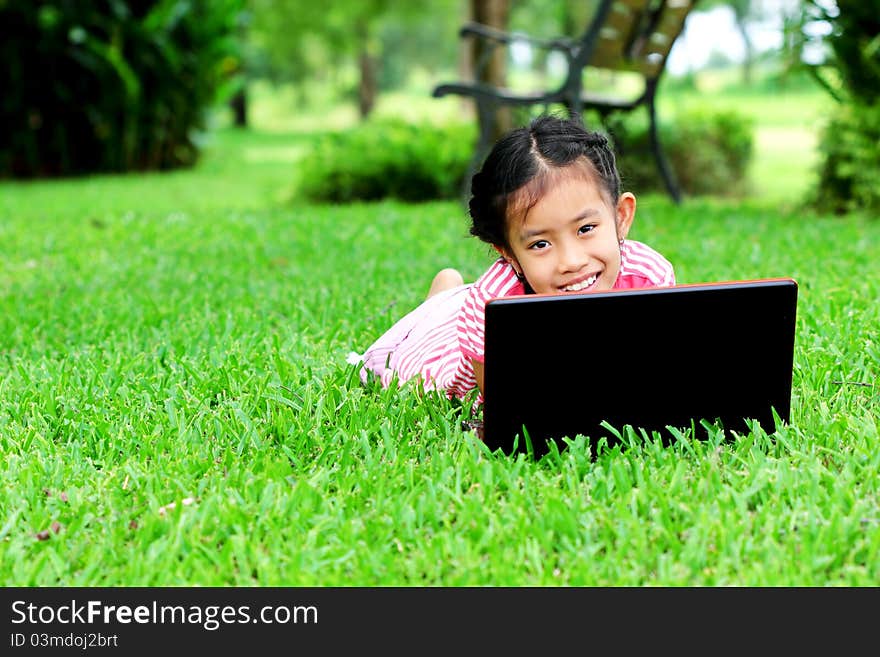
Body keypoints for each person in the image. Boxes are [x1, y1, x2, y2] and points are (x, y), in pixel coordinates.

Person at [348, 114, 675, 404]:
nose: (571, 261)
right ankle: (441, 299)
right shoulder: (492, 305)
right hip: (454, 351)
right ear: (509, 253)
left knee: (451, 302)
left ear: (621, 217)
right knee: (413, 366)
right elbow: (503, 405)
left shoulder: (650, 277)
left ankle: (446, 292)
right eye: (540, 244)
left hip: (471, 306)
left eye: (586, 228)